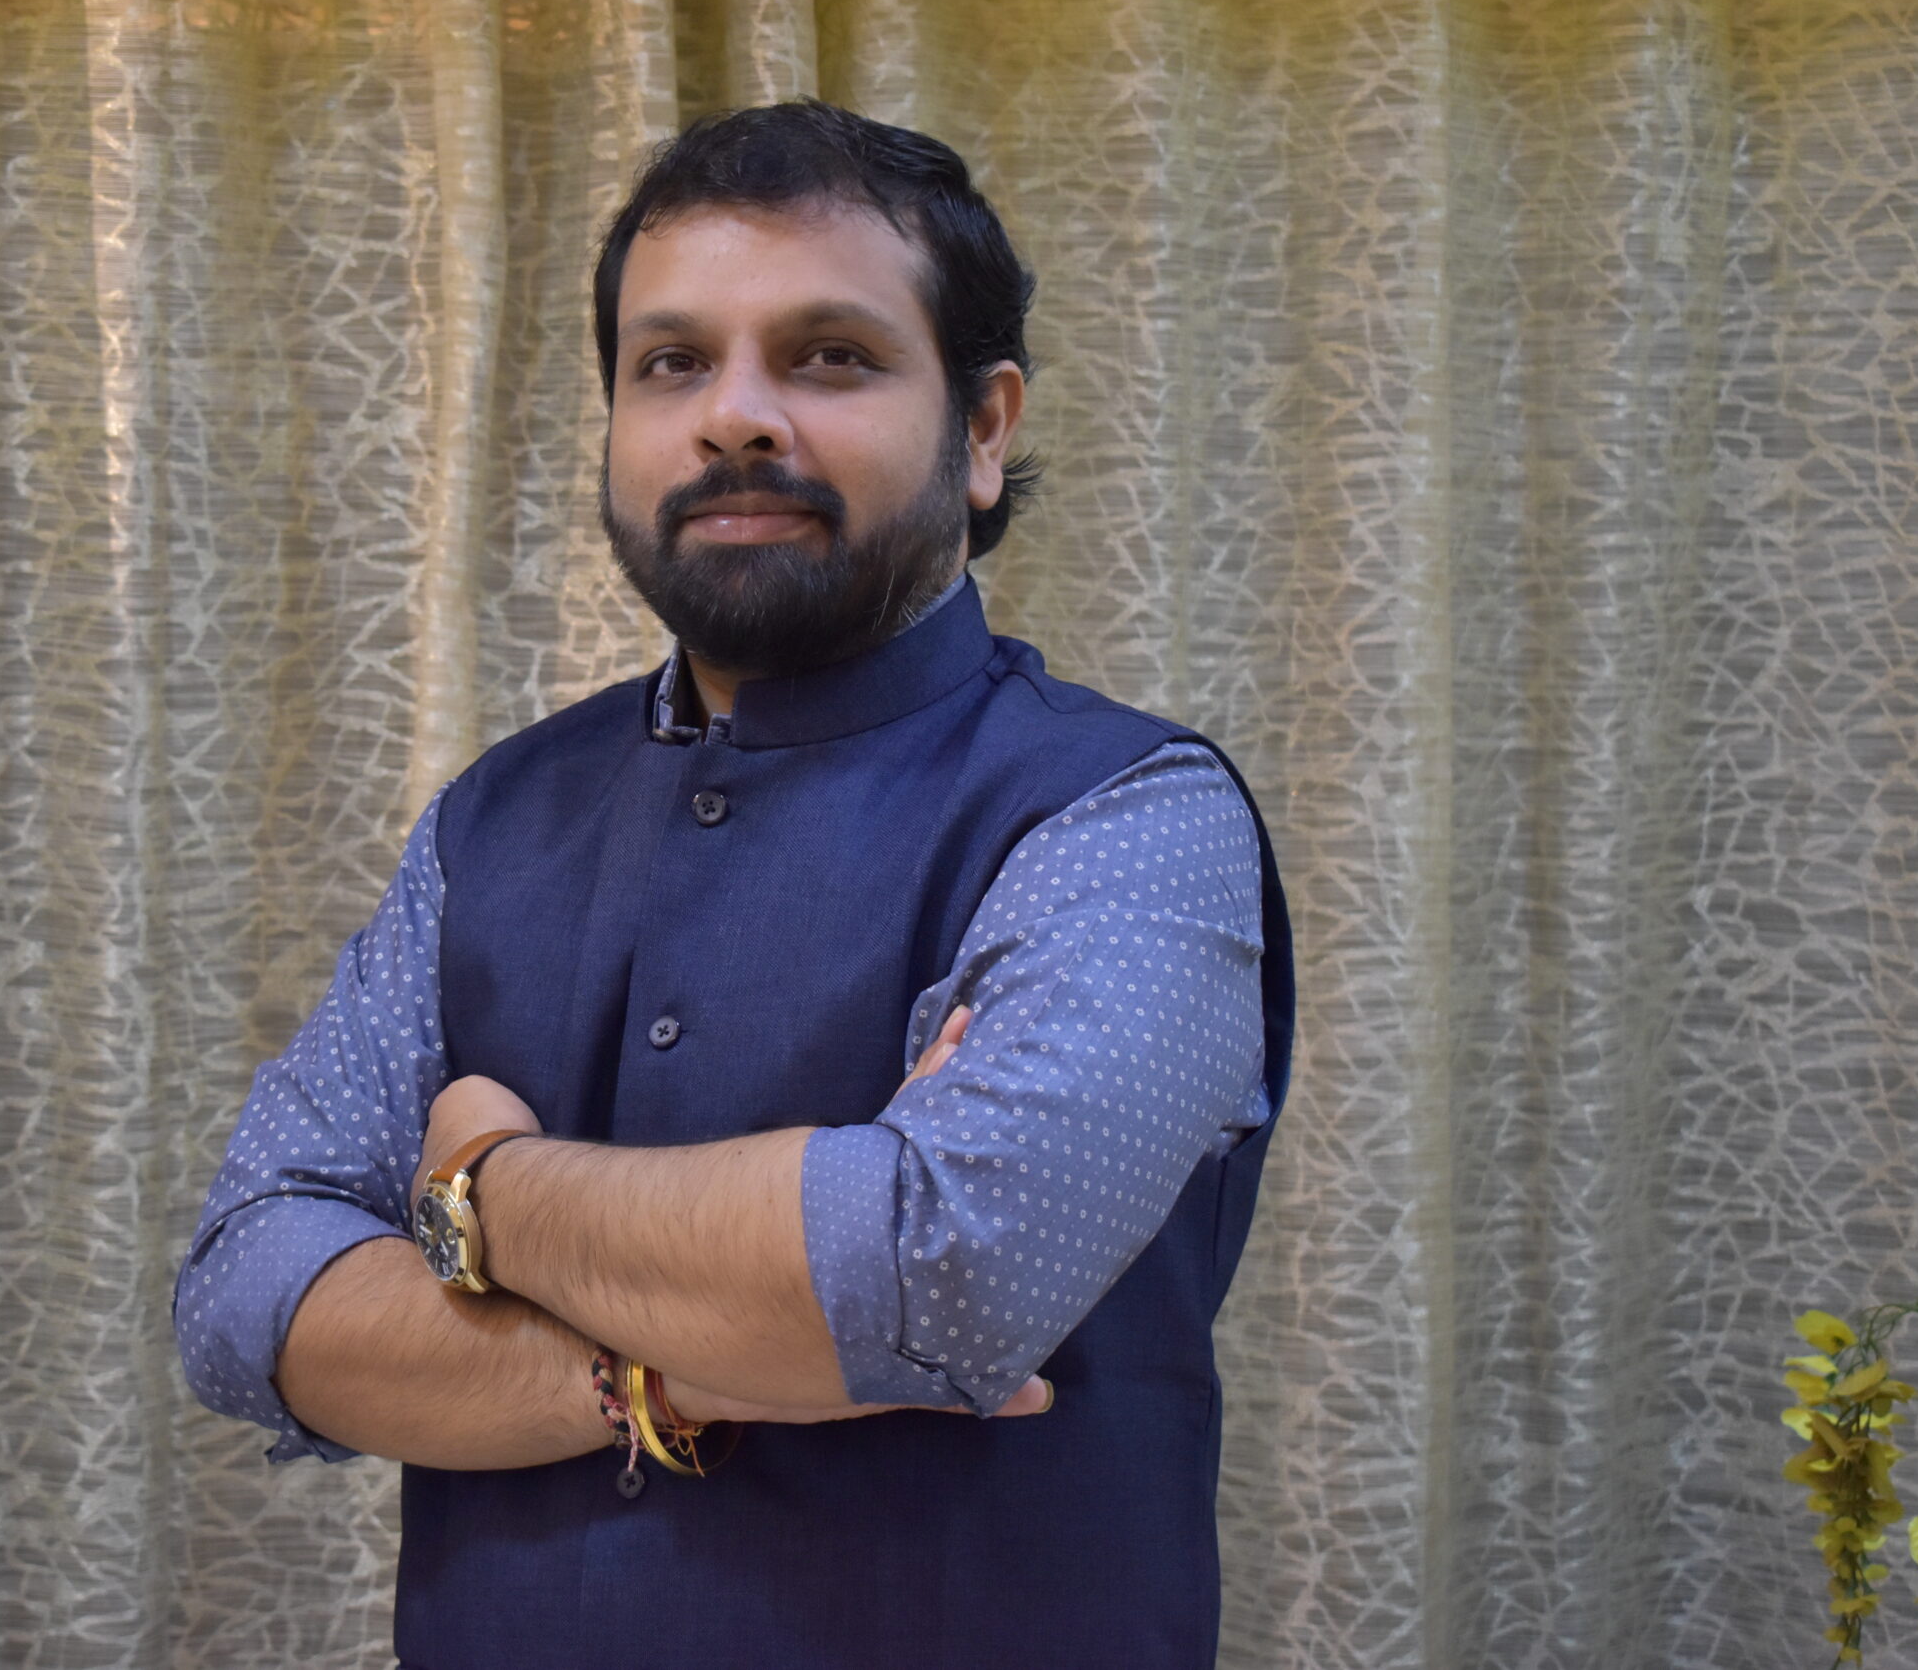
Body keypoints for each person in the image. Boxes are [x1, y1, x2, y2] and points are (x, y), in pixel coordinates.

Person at [174, 99, 1294, 1670]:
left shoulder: (1131, 815)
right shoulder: (493, 821)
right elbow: (244, 1294)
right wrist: (682, 1370)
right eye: (672, 363)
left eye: (829, 356)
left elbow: (938, 1278)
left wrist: (479, 1191)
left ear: (983, 430)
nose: (735, 418)